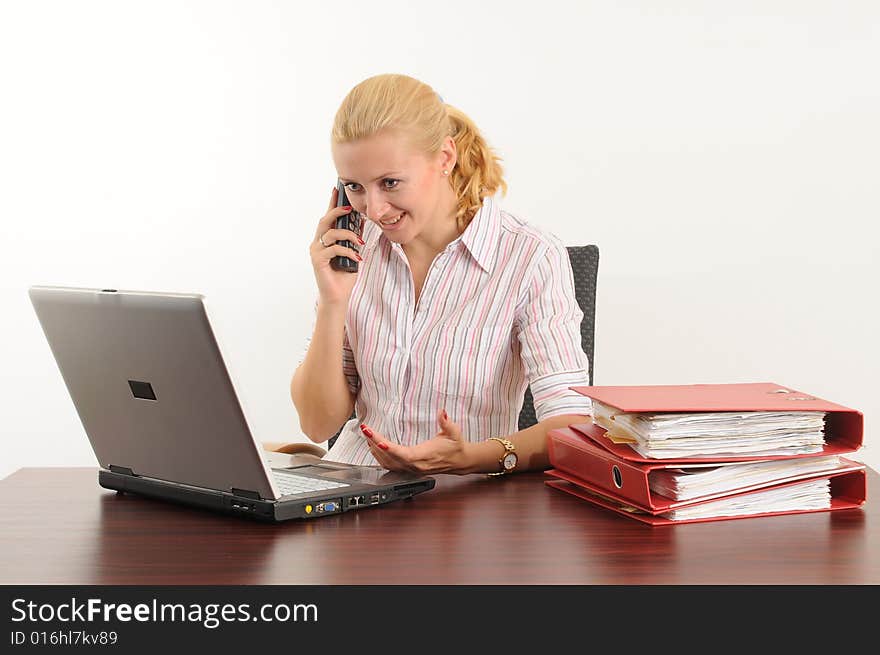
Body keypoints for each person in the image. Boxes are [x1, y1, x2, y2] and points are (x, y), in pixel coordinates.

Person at [290, 73, 591, 476]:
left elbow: (572, 425)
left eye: (390, 183)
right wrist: (333, 301)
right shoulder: (357, 251)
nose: (375, 209)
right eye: (354, 187)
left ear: (445, 157)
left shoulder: (530, 256)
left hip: (465, 502)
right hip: (355, 489)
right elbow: (317, 424)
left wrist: (471, 457)